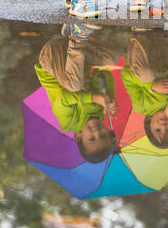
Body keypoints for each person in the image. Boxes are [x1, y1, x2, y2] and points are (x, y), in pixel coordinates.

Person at [35, 31, 120, 162]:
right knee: (111, 59)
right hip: (77, 59)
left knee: (74, 86)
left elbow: (64, 97)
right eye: (103, 135)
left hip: (52, 59)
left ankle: (77, 37)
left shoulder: (68, 123)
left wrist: (95, 98)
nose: (97, 132)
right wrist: (108, 95)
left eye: (91, 139)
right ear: (109, 132)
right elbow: (100, 72)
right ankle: (77, 32)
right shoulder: (100, 112)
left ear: (79, 137)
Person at [121, 31, 168, 149]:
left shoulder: (141, 106)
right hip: (166, 50)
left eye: (158, 130)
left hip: (144, 52)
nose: (163, 125)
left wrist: (151, 87)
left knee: (146, 75)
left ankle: (141, 32)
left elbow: (126, 76)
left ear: (149, 123)